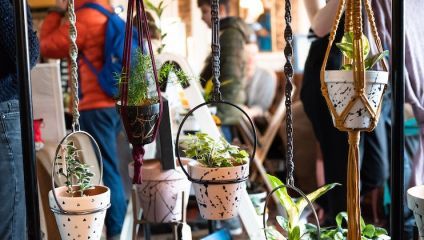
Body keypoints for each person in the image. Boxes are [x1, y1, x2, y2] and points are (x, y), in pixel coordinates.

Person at [40, 0, 126, 238]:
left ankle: (116, 231)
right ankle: (115, 228)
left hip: (94, 108)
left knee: (104, 171)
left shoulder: (83, 17)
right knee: (108, 167)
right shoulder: (105, 10)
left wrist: (56, 11)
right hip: (112, 104)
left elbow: (46, 46)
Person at [301, 0, 390, 225]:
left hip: (368, 69)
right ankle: (341, 225)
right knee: (341, 168)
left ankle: (343, 216)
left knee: (377, 169)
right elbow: (319, 26)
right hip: (330, 70)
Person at [0, 0, 39, 238]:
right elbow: (28, 51)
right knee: (11, 220)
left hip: (4, 110)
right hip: (5, 110)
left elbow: (27, 52)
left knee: (9, 218)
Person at [198, 0, 251, 143]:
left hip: (223, 110)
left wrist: (216, 110)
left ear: (220, 9)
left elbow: (231, 78)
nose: (202, 17)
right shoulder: (227, 33)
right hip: (224, 107)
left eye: (204, 11)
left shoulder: (231, 35)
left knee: (220, 154)